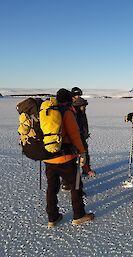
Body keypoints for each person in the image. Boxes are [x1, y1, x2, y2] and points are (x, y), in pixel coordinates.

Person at [44, 88, 94, 228]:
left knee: (52, 188)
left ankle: (52, 218)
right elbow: (75, 135)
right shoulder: (66, 112)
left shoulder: (48, 112)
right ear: (68, 99)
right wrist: (82, 152)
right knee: (76, 186)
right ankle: (79, 215)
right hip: (66, 157)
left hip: (49, 157)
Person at [71, 90, 96, 177]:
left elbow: (84, 124)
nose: (85, 108)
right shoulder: (73, 114)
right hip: (76, 137)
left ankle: (86, 170)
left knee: (85, 154)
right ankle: (70, 176)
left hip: (82, 136)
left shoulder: (82, 113)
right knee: (75, 155)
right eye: (83, 106)